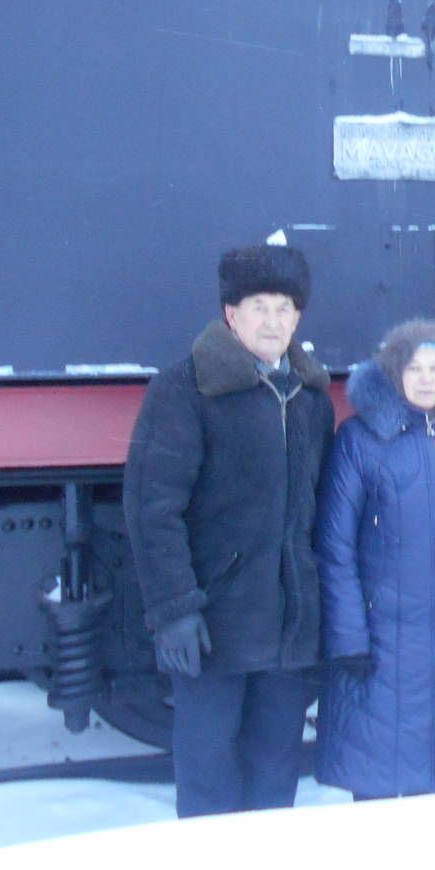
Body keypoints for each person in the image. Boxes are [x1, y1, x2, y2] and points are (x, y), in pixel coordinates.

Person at [123, 244, 334, 818]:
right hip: (215, 629)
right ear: (230, 314)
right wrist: (174, 608)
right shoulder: (185, 389)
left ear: (299, 319)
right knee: (208, 785)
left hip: (286, 632)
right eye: (259, 306)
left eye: (285, 308)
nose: (273, 321)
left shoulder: (311, 398)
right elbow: (152, 507)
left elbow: (317, 513)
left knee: (274, 780)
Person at [312, 320, 435, 799]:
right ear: (394, 375)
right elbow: (335, 548)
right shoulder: (360, 441)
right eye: (414, 368)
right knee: (380, 778)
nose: (425, 378)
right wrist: (348, 637)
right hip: (382, 645)